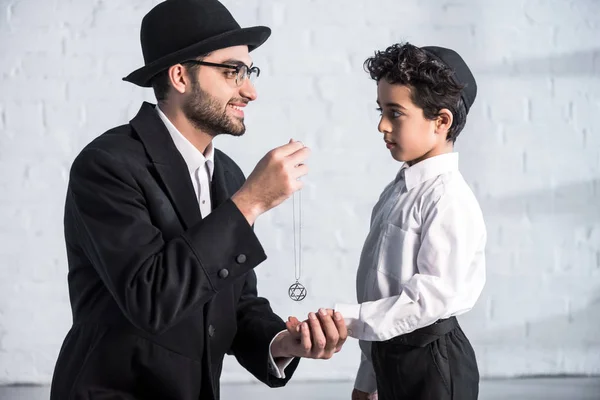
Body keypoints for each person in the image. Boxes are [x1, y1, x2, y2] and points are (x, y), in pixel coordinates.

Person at [49, 1, 347, 399]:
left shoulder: (227, 173)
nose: (251, 90)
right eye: (232, 72)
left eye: (249, 72)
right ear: (180, 77)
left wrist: (283, 343)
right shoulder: (107, 165)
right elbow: (151, 299)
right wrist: (250, 203)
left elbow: (236, 303)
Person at [334, 42, 487, 400]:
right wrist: (367, 379)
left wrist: (347, 320)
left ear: (441, 120)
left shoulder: (448, 199)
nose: (381, 125)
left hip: (433, 367)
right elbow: (381, 293)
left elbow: (427, 300)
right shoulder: (396, 192)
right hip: (392, 355)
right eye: (380, 109)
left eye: (395, 112)